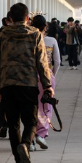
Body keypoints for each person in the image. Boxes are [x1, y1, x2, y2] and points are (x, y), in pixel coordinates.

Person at [0, 3, 53, 163]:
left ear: (10, 18)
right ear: (27, 18)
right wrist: (47, 86)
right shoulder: (35, 35)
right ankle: (25, 144)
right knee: (31, 121)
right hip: (28, 84)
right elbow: (42, 62)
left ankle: (18, 161)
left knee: (13, 124)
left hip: (7, 85)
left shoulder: (1, 35)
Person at [30, 15, 60, 151]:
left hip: (30, 76)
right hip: (47, 76)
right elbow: (57, 61)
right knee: (46, 105)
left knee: (31, 106)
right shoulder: (51, 40)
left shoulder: (28, 39)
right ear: (45, 27)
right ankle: (41, 134)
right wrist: (52, 73)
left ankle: (29, 138)